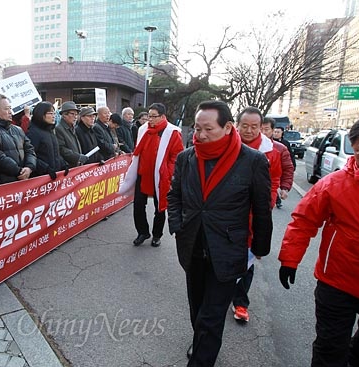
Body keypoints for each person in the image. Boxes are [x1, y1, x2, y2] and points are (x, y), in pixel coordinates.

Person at [167, 100, 272, 366]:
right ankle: (200, 339)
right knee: (197, 309)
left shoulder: (252, 161)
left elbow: (261, 209)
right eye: (197, 129)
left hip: (227, 249)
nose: (201, 135)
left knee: (212, 315)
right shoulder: (186, 158)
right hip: (192, 246)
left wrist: (260, 248)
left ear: (227, 127)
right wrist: (177, 225)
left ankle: (202, 359)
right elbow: (174, 195)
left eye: (208, 129)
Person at [279, 117, 359, 367]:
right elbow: (304, 221)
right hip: (338, 282)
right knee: (330, 349)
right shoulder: (334, 184)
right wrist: (290, 259)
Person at [232, 106, 282, 323]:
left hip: (253, 216)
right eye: (245, 126)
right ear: (236, 125)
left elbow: (274, 182)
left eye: (254, 126)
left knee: (247, 260)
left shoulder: (271, 151)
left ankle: (241, 302)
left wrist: (266, 205)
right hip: (226, 214)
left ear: (262, 127)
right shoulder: (225, 144)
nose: (249, 131)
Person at [119, 103, 183, 247]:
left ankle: (156, 235)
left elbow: (176, 156)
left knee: (159, 207)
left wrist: (167, 171)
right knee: (138, 205)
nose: (151, 120)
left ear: (162, 116)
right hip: (143, 173)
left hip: (160, 176)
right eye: (149, 116)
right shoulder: (143, 129)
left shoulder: (172, 132)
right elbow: (138, 151)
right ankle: (143, 232)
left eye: (154, 116)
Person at [0, 94, 36, 185]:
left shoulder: (18, 130)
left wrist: (29, 167)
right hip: (3, 184)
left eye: (10, 108)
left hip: (23, 181)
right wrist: (19, 171)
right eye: (6, 109)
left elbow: (30, 150)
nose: (10, 112)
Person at [26, 101, 69, 179]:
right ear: (41, 114)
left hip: (54, 177)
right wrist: (46, 168)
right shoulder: (33, 132)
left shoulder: (50, 131)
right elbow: (31, 155)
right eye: (50, 113)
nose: (54, 116)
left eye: (54, 113)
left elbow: (56, 152)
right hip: (41, 178)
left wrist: (63, 163)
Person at [262, 118, 295, 209]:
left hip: (268, 190)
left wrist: (284, 188)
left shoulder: (280, 148)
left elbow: (288, 168)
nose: (263, 132)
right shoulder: (247, 145)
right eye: (260, 129)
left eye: (266, 129)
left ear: (272, 130)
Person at [55, 101, 88, 168]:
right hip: (67, 168)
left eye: (76, 114)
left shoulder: (72, 128)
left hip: (76, 165)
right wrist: (77, 157)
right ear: (64, 115)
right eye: (72, 114)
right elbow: (61, 149)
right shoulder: (59, 129)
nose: (75, 117)